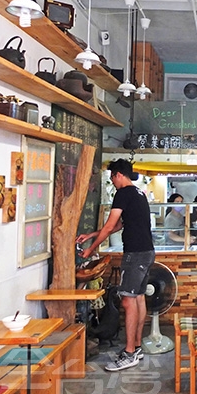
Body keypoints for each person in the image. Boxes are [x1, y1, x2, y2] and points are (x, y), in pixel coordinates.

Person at [76, 159, 155, 372]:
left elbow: (111, 225)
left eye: (112, 178)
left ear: (118, 174)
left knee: (128, 301)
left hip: (135, 254)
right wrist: (92, 235)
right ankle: (136, 347)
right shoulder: (138, 193)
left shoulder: (123, 193)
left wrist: (90, 250)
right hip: (146, 252)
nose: (113, 182)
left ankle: (129, 353)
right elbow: (119, 224)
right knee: (138, 298)